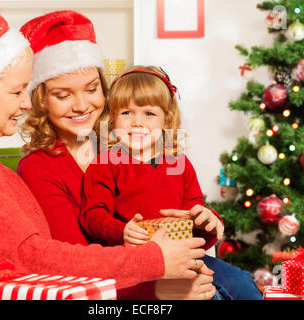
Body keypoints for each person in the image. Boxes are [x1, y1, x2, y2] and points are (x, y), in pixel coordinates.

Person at [0, 8, 210, 293]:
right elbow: (30, 257)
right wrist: (155, 267)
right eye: (16, 92)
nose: (25, 104)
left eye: (91, 89)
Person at [17, 11, 261, 300]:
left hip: (180, 261)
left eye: (92, 89)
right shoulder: (42, 167)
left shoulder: (141, 151)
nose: (81, 105)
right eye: (62, 95)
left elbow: (189, 207)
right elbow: (75, 263)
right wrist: (158, 289)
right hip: (124, 285)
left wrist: (207, 221)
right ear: (40, 100)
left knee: (242, 284)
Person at [79, 65, 224, 250]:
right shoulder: (105, 164)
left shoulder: (179, 163)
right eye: (126, 113)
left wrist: (208, 221)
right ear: (113, 119)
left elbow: (194, 211)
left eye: (149, 113)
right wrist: (122, 230)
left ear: (166, 121)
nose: (137, 122)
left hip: (179, 254)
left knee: (239, 279)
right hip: (133, 257)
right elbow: (92, 215)